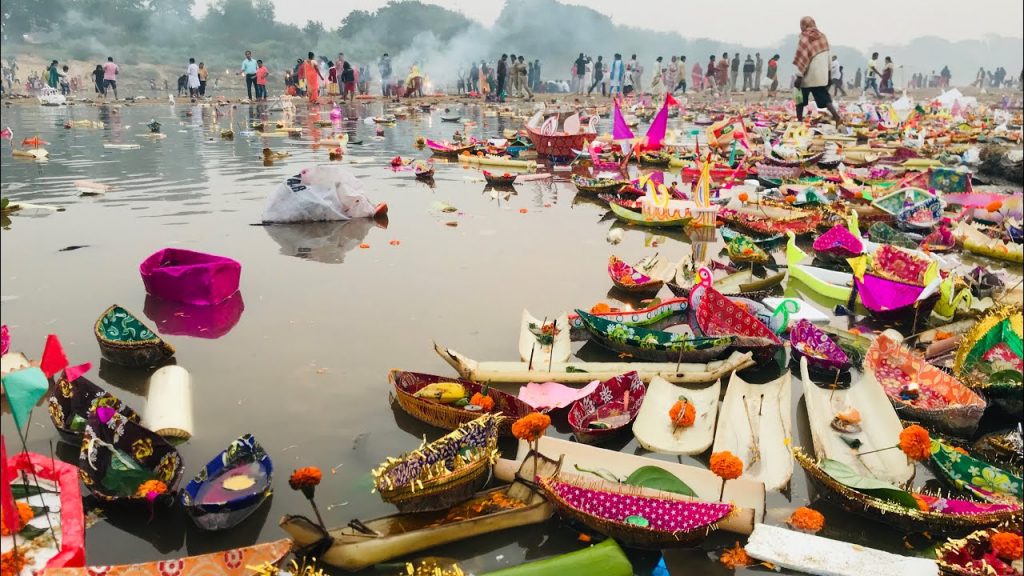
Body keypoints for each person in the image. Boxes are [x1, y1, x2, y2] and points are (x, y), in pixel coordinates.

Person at [792, 16, 841, 124]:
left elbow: (803, 58)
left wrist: (799, 76)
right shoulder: (823, 37)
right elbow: (829, 56)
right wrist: (828, 75)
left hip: (808, 75)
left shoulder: (804, 38)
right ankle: (837, 117)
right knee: (825, 98)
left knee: (800, 99)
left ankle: (799, 121)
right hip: (821, 75)